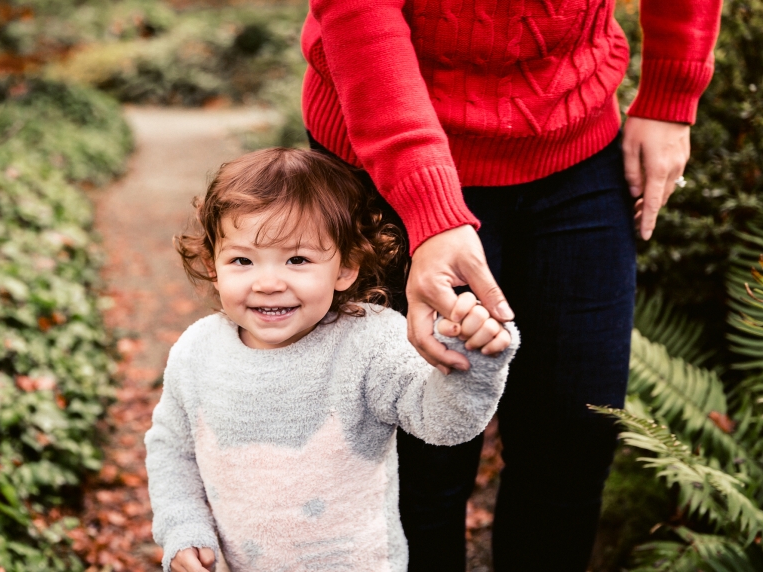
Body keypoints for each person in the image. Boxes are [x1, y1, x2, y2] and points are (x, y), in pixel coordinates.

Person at [300, 0, 722, 570]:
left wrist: (672, 91)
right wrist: (429, 204)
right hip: (383, 155)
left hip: (578, 141)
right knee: (415, 461)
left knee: (573, 440)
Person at [144, 148, 519, 572]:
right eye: (242, 260)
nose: (268, 283)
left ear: (346, 267)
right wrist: (184, 528)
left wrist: (472, 363)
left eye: (297, 260)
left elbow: (445, 424)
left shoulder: (370, 342)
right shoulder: (197, 351)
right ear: (214, 265)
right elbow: (171, 450)